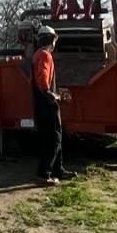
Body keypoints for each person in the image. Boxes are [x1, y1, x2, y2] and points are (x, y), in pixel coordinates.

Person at [31, 26, 76, 182]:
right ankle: (44, 174)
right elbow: (43, 79)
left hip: (41, 104)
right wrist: (51, 94)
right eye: (54, 40)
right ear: (51, 40)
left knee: (53, 137)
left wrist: (56, 92)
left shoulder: (37, 54)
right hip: (47, 105)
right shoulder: (45, 55)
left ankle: (58, 170)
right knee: (54, 139)